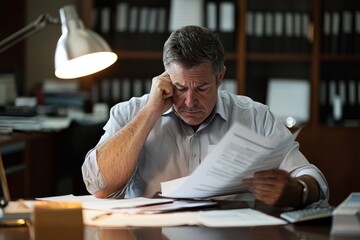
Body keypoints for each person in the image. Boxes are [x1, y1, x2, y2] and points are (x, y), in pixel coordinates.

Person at [82, 25, 329, 209]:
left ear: (220, 77)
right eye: (180, 87)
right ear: (166, 77)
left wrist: (299, 191)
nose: (189, 101)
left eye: (201, 88)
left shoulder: (254, 117)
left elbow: (311, 176)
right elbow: (99, 187)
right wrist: (150, 112)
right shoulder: (130, 113)